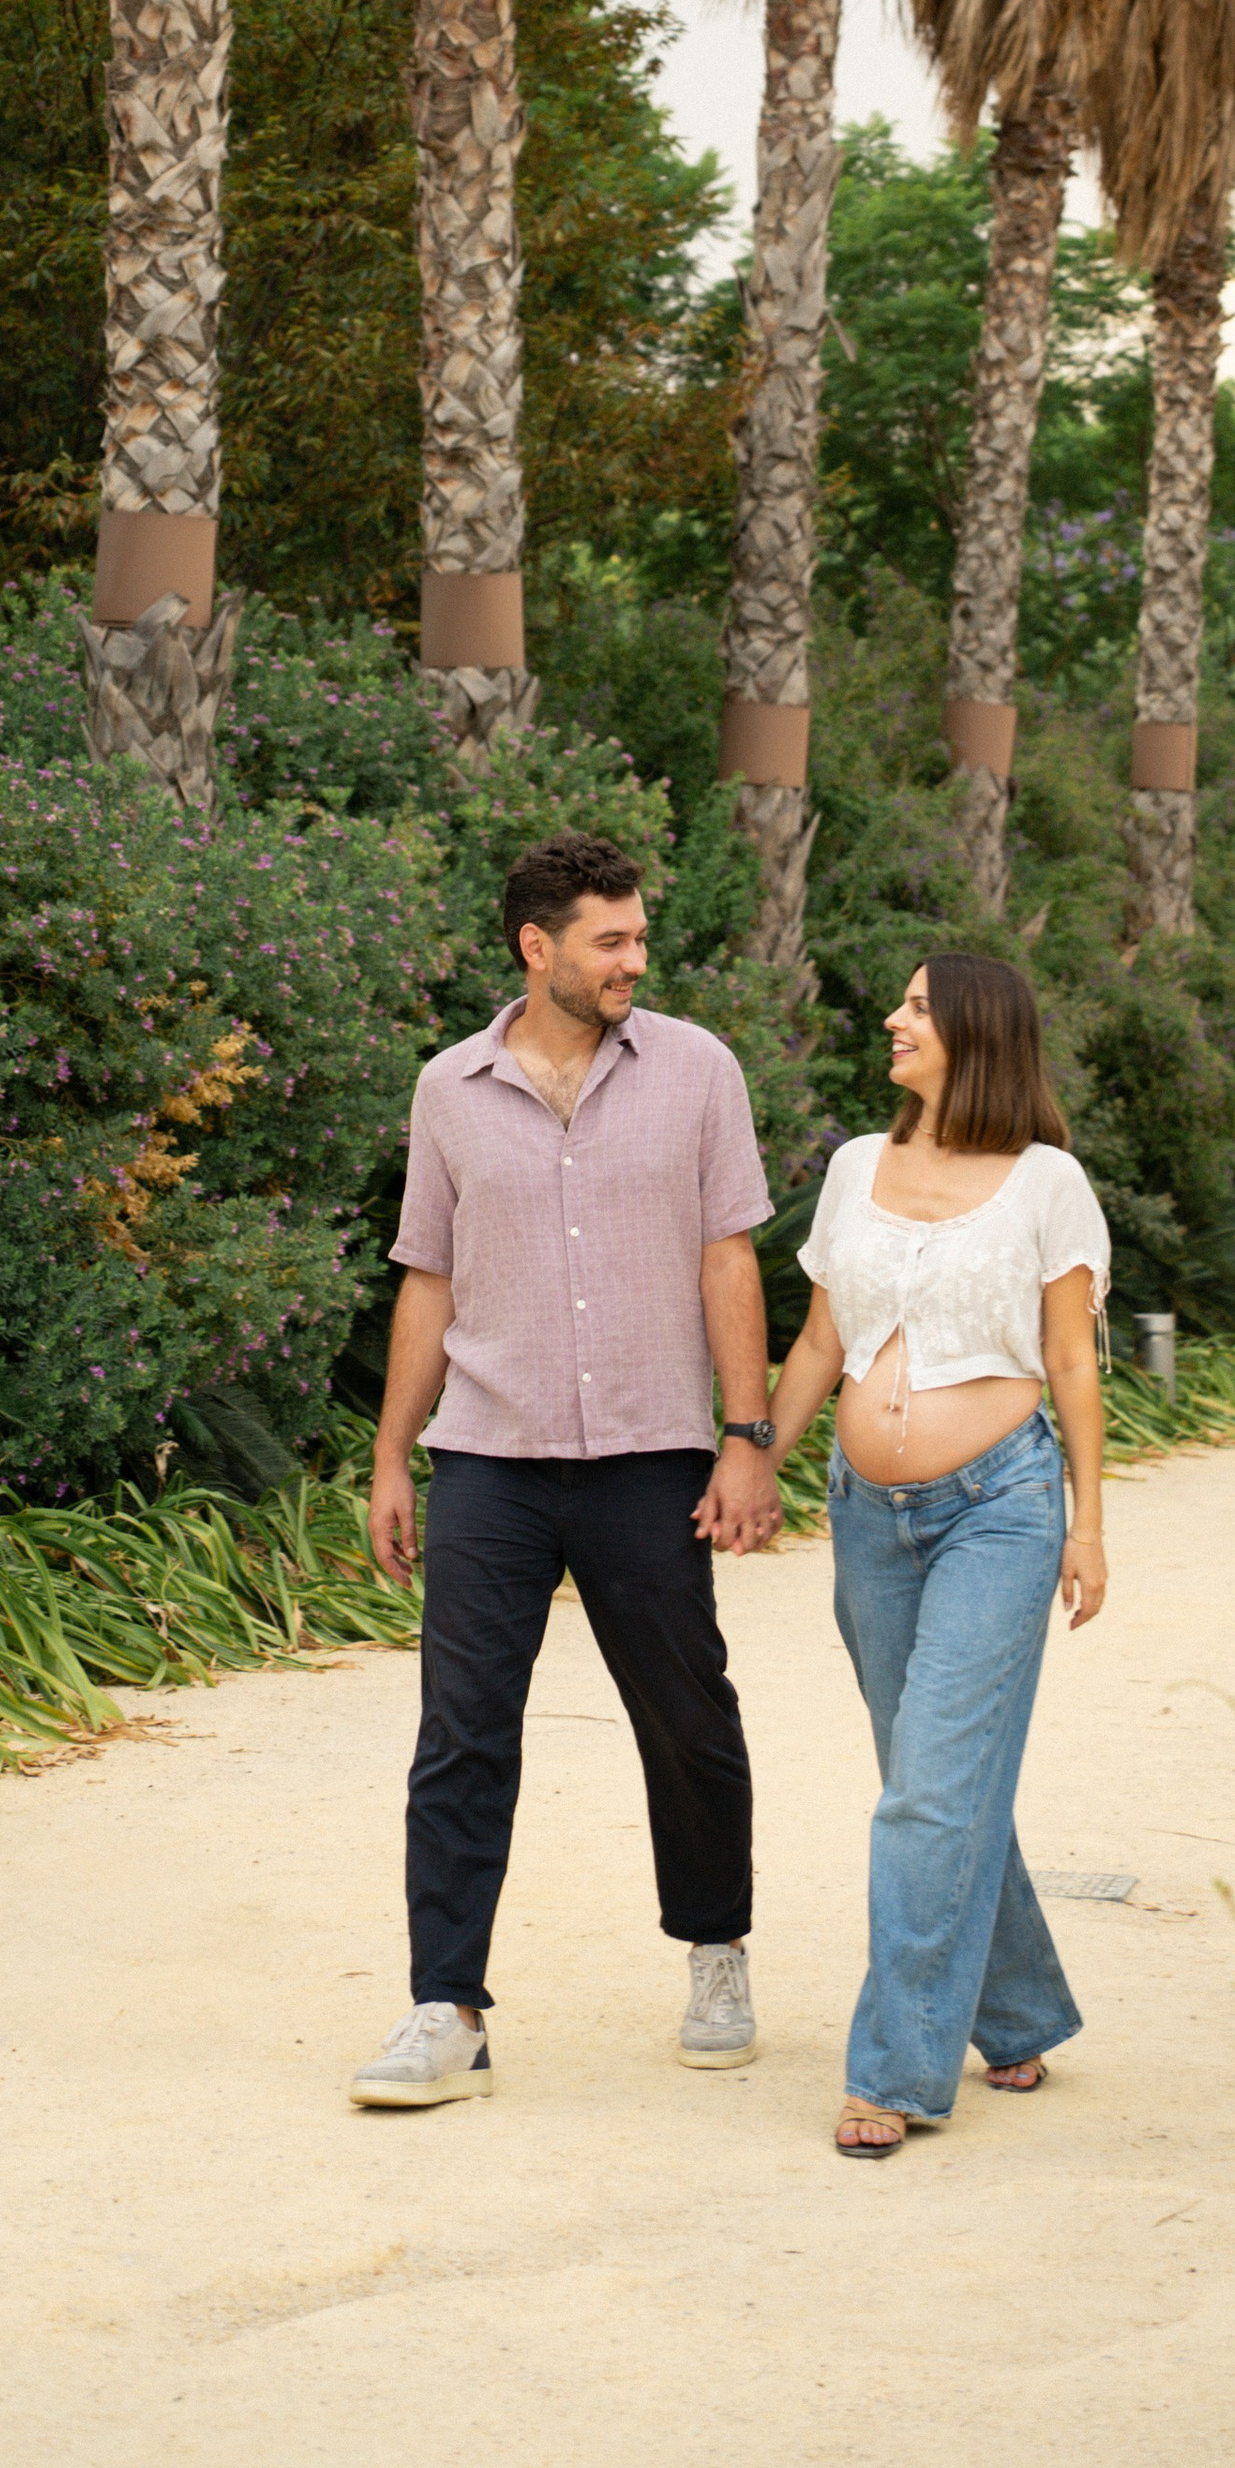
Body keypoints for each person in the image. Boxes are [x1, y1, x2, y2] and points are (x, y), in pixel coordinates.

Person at [349, 831, 784, 2109]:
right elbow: (427, 1278)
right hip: (488, 1457)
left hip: (652, 1452)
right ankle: (448, 2008)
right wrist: (391, 1455)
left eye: (639, 937)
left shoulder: (698, 1069)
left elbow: (729, 1261)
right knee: (461, 1735)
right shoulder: (449, 1089)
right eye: (611, 939)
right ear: (537, 948)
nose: (634, 960)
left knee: (686, 1715)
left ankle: (716, 1950)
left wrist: (745, 1441)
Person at [763, 951, 1110, 2157]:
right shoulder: (858, 1166)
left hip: (1000, 1510)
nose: (892, 1018)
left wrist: (1088, 1522)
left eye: (915, 1005)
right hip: (868, 1514)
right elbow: (818, 1339)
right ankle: (1016, 2011)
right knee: (938, 1784)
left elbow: (1071, 1361)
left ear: (974, 1032)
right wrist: (750, 1451)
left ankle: (896, 2073)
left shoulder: (1045, 1183)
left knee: (927, 1795)